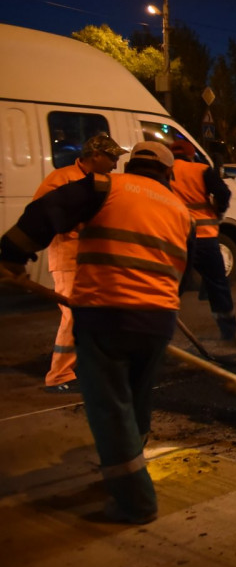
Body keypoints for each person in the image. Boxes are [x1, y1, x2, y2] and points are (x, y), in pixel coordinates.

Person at [0, 142, 193, 524]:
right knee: (135, 401)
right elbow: (184, 272)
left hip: (105, 312)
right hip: (158, 319)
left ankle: (134, 500)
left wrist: (10, 256)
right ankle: (131, 467)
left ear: (130, 164)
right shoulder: (179, 209)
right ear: (168, 174)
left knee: (109, 408)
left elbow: (45, 213)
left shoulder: (105, 187)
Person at [32, 133, 127, 394]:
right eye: (112, 158)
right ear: (95, 155)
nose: (116, 164)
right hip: (69, 258)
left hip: (97, 261)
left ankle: (87, 368)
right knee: (74, 316)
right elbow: (39, 214)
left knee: (96, 316)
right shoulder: (61, 179)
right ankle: (59, 375)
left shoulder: (105, 181)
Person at [168, 138, 236, 353]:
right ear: (191, 154)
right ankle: (228, 335)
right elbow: (224, 193)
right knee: (218, 285)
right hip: (205, 237)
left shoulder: (164, 170)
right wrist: (217, 210)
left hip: (175, 238)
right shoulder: (201, 170)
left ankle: (161, 336)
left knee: (170, 289)